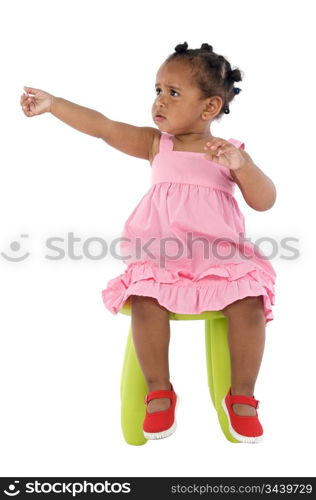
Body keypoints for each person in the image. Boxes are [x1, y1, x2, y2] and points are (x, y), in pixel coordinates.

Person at [20, 41, 277, 444]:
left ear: (209, 108)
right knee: (145, 303)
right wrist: (55, 104)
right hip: (164, 261)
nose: (159, 101)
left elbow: (265, 202)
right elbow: (103, 127)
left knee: (250, 305)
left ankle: (242, 396)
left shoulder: (229, 154)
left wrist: (242, 165)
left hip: (219, 261)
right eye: (157, 90)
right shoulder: (157, 145)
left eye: (173, 93)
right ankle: (159, 390)